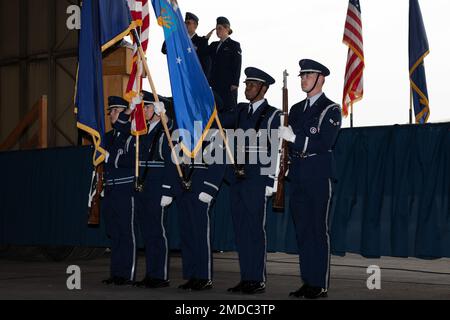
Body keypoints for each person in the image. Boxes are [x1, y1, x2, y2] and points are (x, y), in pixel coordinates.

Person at [278, 59, 342, 299]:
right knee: (302, 231)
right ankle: (308, 280)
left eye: (309, 75)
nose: (304, 79)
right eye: (302, 75)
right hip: (297, 174)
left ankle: (320, 283)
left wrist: (294, 139)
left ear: (321, 79)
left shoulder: (331, 109)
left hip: (317, 173)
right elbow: (287, 146)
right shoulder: (295, 109)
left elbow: (325, 142)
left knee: (317, 230)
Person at [220, 67, 281, 294]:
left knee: (255, 230)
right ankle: (246, 277)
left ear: (263, 89)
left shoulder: (273, 114)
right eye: (246, 84)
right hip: (238, 177)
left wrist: (270, 180)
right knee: (241, 230)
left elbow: (274, 148)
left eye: (253, 85)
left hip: (257, 178)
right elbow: (218, 119)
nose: (247, 88)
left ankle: (257, 278)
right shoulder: (240, 111)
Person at [158, 107, 226, 291]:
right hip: (182, 187)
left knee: (200, 234)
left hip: (200, 187)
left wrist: (210, 189)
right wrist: (169, 190)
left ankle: (204, 276)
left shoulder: (213, 132)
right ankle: (191, 274)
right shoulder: (183, 132)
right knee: (187, 234)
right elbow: (173, 161)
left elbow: (219, 163)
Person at [112, 91, 174, 289]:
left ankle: (160, 275)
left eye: (147, 107)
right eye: (144, 107)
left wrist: (167, 190)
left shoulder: (164, 129)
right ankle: (151, 273)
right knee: (147, 233)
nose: (144, 110)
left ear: (156, 110)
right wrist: (130, 109)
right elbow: (119, 126)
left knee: (157, 232)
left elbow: (171, 159)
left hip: (157, 186)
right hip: (143, 186)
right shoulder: (142, 130)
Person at [101, 96, 136, 286]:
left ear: (124, 112)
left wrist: (109, 157)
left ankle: (127, 274)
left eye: (115, 111)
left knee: (126, 232)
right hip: (110, 188)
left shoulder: (131, 134)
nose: (111, 115)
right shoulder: (107, 136)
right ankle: (116, 272)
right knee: (114, 233)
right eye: (111, 111)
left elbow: (132, 161)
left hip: (125, 188)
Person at [208, 16, 242, 111]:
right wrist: (205, 38)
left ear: (227, 29)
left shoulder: (234, 45)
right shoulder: (214, 45)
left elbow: (237, 64)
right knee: (215, 109)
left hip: (228, 85)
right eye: (216, 29)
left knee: (228, 109)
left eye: (220, 28)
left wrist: (235, 83)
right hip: (215, 83)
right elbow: (202, 52)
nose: (217, 31)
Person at [162, 12, 210, 76]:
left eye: (188, 23)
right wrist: (173, 32)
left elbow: (206, 63)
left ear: (195, 26)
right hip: (181, 76)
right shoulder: (179, 41)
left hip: (195, 76)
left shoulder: (201, 41)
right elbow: (164, 50)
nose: (186, 25)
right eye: (185, 23)